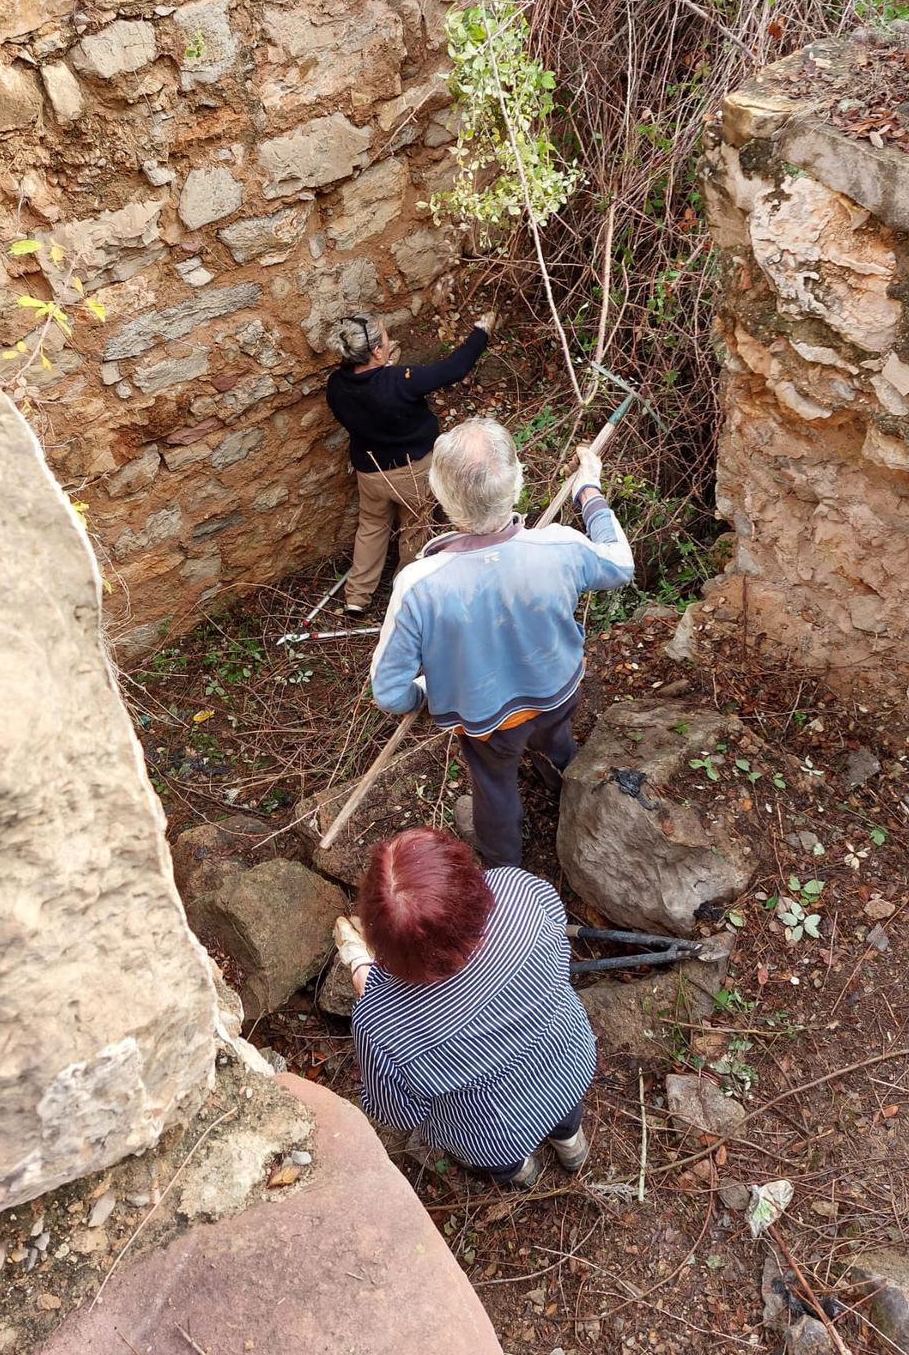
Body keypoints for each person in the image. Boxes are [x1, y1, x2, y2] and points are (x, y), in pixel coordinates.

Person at [369, 416, 634, 867]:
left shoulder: (418, 586)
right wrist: (588, 490)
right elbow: (620, 564)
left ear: (441, 496)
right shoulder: (560, 547)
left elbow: (389, 693)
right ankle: (563, 780)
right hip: (557, 692)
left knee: (493, 787)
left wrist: (423, 695)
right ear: (518, 481)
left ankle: (504, 869)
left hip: (487, 723)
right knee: (556, 736)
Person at [334, 827, 596, 1187]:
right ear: (466, 878)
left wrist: (364, 975)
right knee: (565, 1113)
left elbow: (397, 1113)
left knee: (500, 1159)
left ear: (380, 941)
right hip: (568, 1065)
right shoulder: (521, 891)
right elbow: (559, 957)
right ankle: (572, 1147)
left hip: (494, 1131)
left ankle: (524, 1174)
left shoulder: (379, 1024)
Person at [325, 310, 494, 615]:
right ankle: (405, 590)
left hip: (369, 471)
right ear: (377, 351)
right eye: (385, 336)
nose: (389, 339)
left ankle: (357, 596)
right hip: (411, 471)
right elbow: (454, 368)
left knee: (372, 527)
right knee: (415, 528)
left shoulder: (336, 385)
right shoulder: (398, 382)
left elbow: (366, 393)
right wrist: (481, 332)